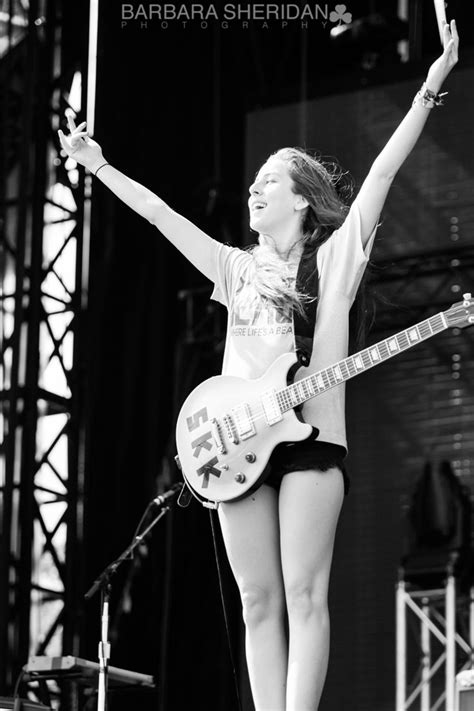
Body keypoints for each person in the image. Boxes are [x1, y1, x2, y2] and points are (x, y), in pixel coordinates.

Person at [58, 21, 458, 711]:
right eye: (253, 181)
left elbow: (385, 171)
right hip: (237, 442)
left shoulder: (332, 261)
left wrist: (432, 82)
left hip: (311, 444)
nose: (253, 188)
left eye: (268, 181)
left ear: (302, 198)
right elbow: (158, 214)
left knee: (305, 593)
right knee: (257, 601)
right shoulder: (235, 268)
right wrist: (96, 164)